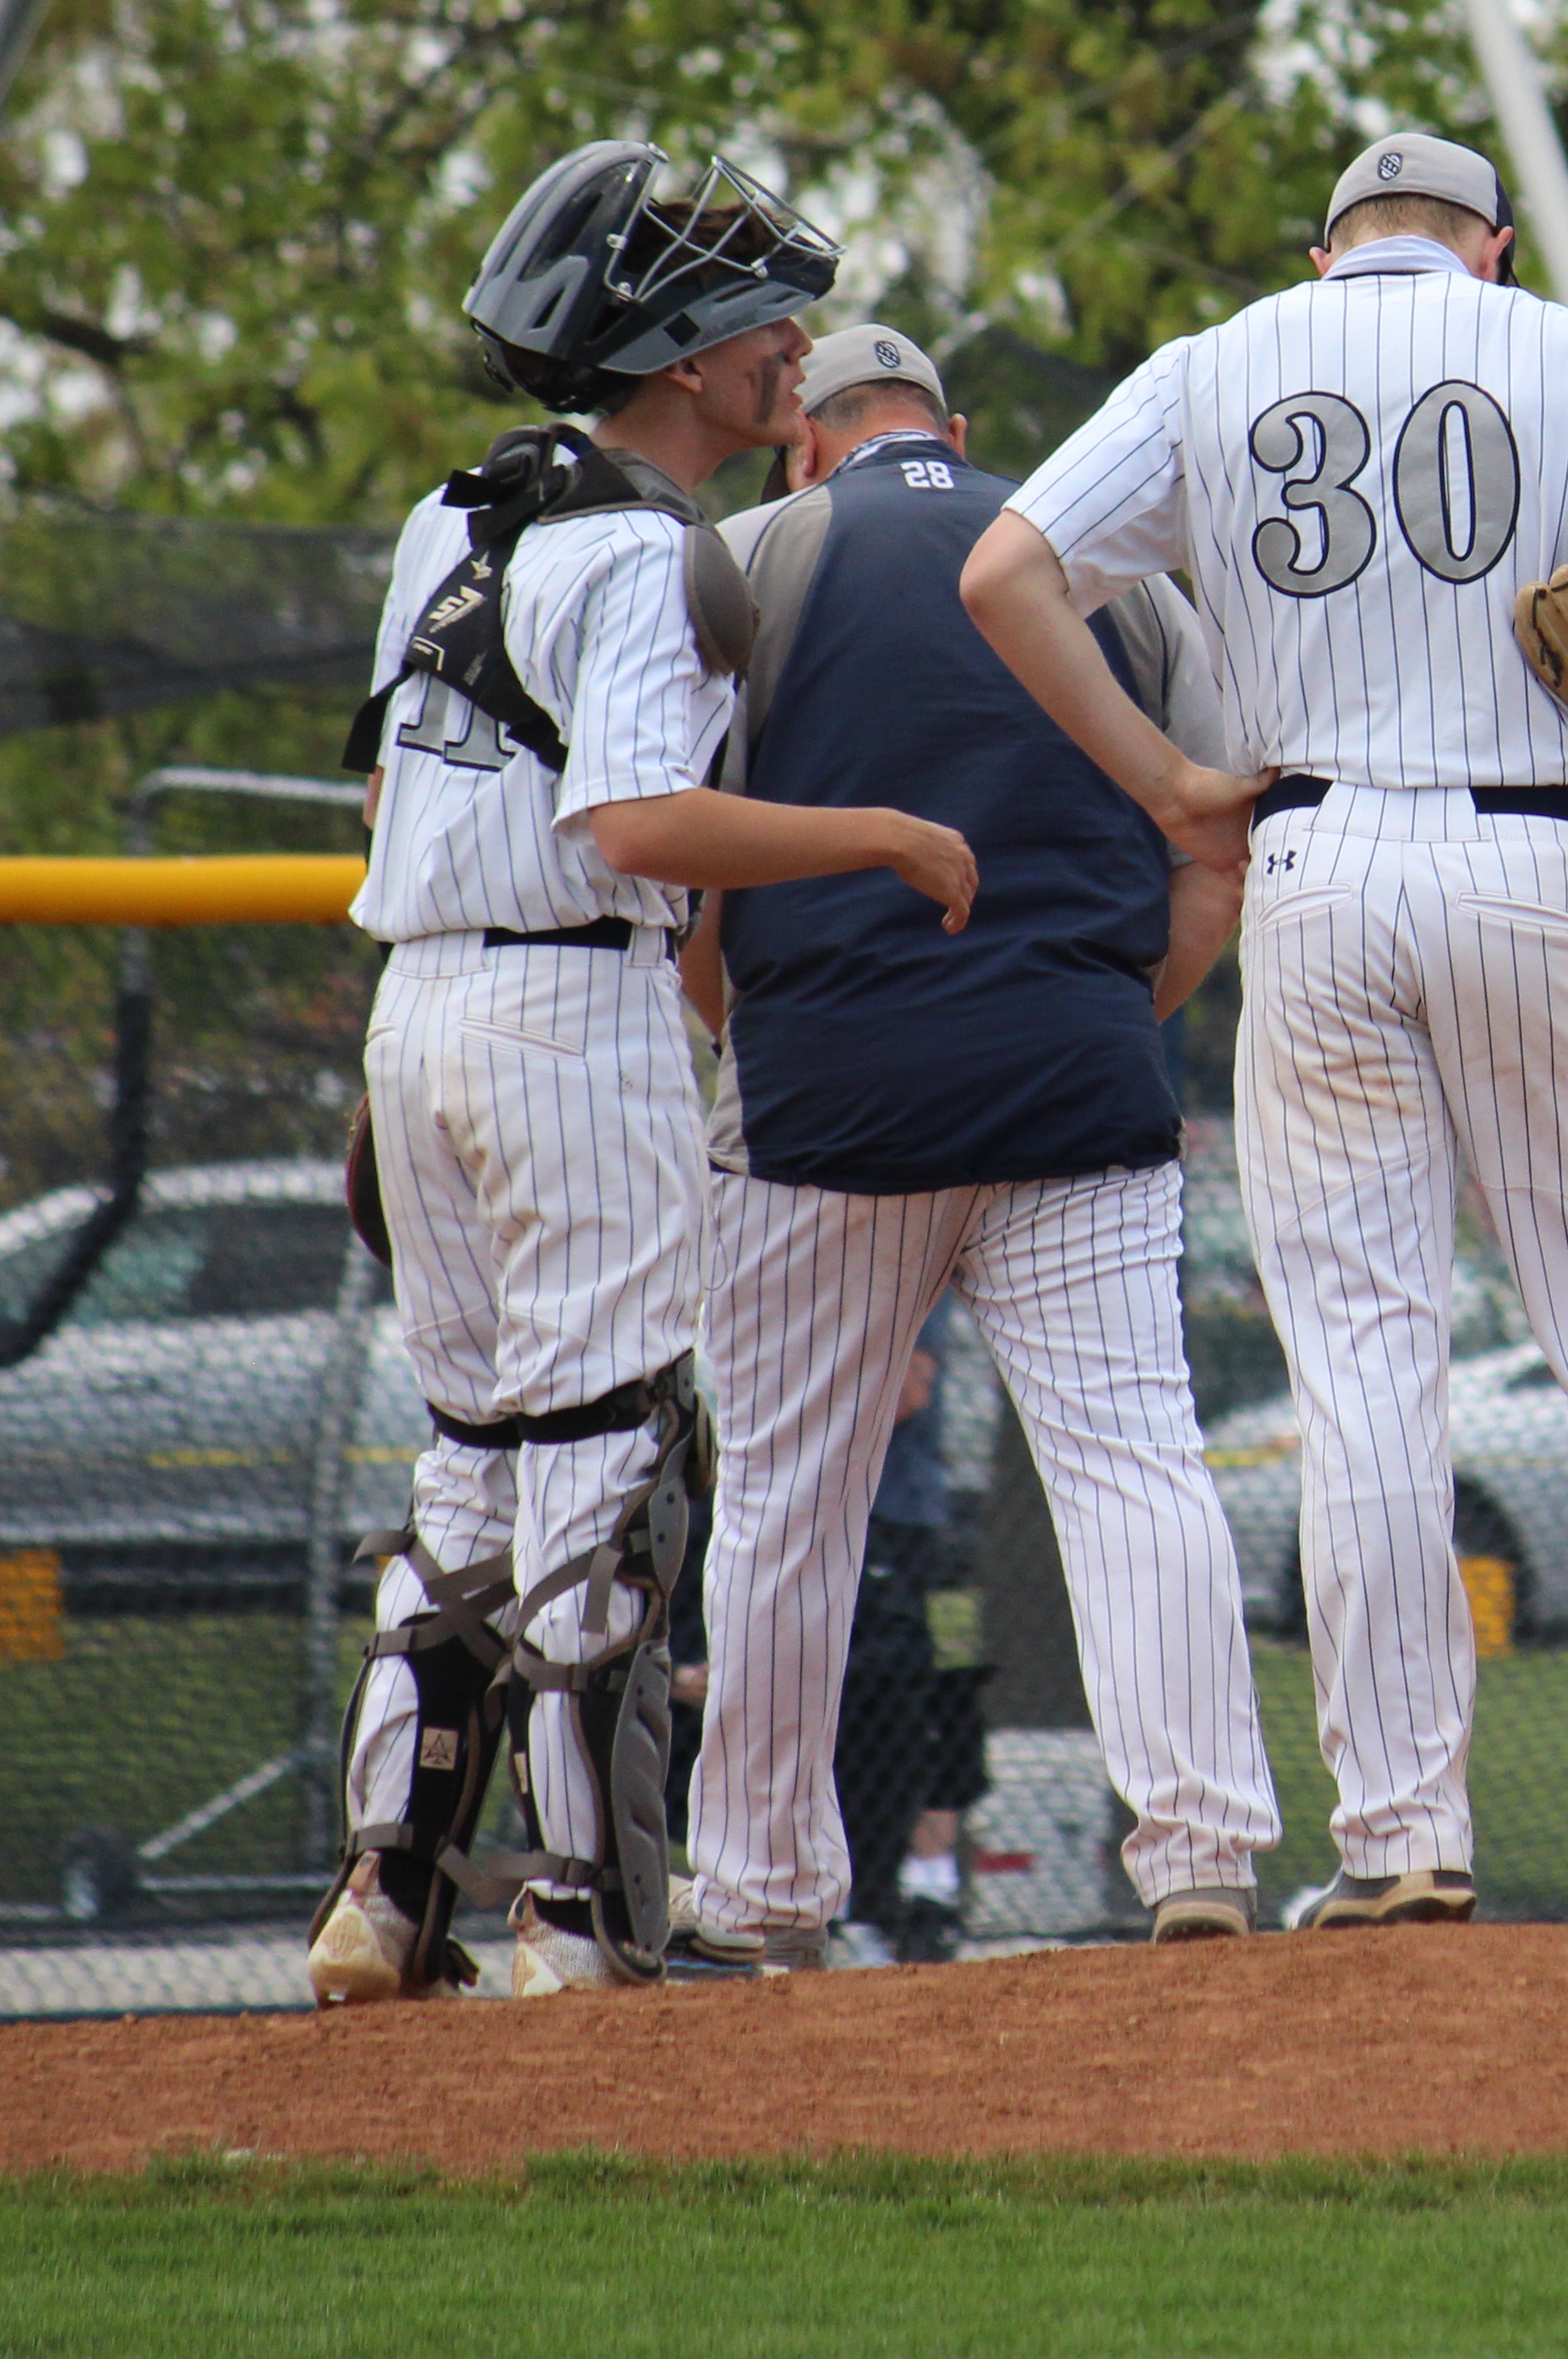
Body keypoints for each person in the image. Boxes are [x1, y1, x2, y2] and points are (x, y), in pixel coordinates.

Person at [963, 135, 1568, 1929]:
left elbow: (1004, 575)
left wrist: (1164, 785)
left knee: (1366, 1369)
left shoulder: (1213, 364)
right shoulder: (1565, 342)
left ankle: (1397, 1846)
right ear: (1489, 243)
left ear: (1325, 256)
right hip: (1539, 851)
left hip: (1308, 862)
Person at [308, 145, 979, 2004]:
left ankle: (391, 1892)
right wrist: (885, 838)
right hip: (569, 1015)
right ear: (679, 353)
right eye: (767, 317)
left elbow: (390, 799)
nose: (794, 347)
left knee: (471, 1460)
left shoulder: (450, 521)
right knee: (612, 1456)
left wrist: (409, 1057)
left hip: (420, 998)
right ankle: (584, 1915)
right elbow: (632, 821)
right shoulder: (647, 548)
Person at [681, 322, 1280, 1965]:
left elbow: (684, 862)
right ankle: (1203, 1852)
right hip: (1073, 1073)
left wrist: (749, 1043)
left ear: (805, 442)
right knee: (1134, 1463)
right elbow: (1214, 850)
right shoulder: (1096, 554)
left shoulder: (740, 556)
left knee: (790, 1498)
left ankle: (758, 1893)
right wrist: (1109, 1011)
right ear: (955, 426)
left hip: (822, 1094)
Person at [828, 1305, 989, 1964]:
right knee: (836, 1700)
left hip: (889, 1516)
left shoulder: (904, 1254)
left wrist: (801, 1424)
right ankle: (844, 1897)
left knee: (906, 1704)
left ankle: (909, 1898)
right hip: (847, 1511)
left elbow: (909, 1388)